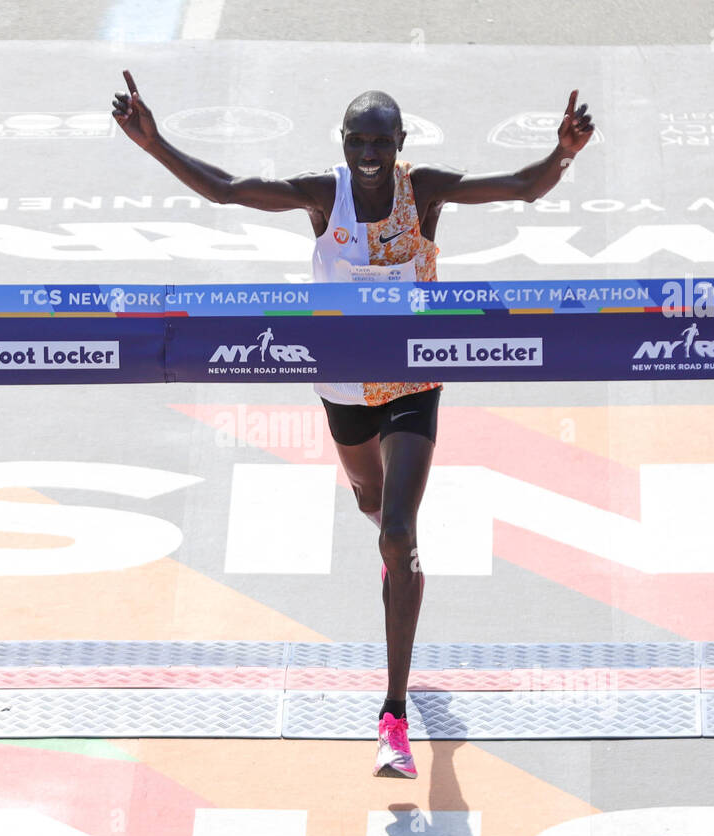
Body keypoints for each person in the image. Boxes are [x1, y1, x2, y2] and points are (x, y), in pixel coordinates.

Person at [112, 71, 595, 777]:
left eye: (381, 141)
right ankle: (399, 560)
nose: (368, 152)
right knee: (373, 508)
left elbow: (520, 188)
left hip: (412, 379)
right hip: (342, 383)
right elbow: (227, 189)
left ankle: (393, 711)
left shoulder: (421, 191)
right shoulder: (322, 194)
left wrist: (563, 155)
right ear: (344, 144)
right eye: (356, 139)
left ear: (400, 145)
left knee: (399, 530)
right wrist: (155, 143)